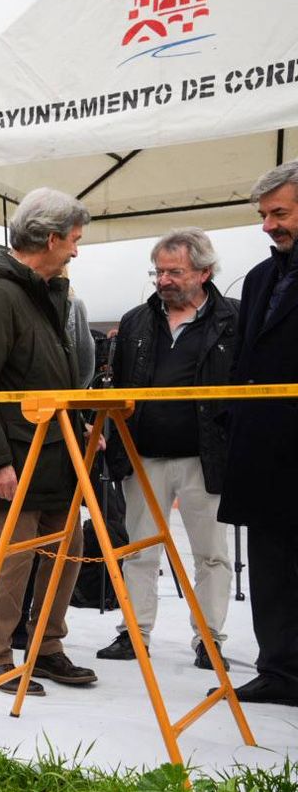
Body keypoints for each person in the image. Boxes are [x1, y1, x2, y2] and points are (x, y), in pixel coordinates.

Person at [0, 188, 98, 696]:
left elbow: (48, 374)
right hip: (14, 454)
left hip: (53, 449)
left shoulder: (42, 290)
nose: (76, 250)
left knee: (68, 548)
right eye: (74, 239)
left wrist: (78, 425)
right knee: (15, 556)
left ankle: (46, 647)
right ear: (51, 238)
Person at [97, 228, 237, 670]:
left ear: (204, 272)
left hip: (205, 456)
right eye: (158, 272)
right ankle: (133, 633)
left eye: (174, 272)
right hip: (143, 455)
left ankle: (209, 639)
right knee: (139, 549)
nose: (163, 280)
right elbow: (118, 386)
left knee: (211, 553)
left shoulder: (233, 318)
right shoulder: (136, 320)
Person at [216, 162, 298, 706]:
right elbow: (245, 359)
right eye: (264, 215)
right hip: (264, 451)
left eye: (280, 213)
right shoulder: (259, 278)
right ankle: (280, 670)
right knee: (271, 567)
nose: (269, 225)